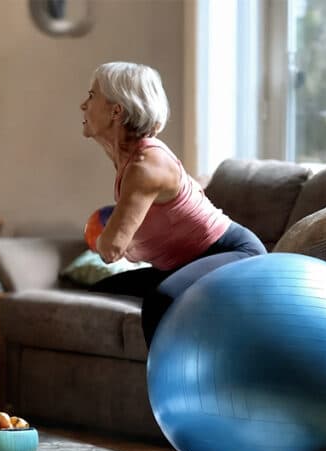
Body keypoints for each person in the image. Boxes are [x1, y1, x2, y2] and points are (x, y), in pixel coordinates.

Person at [80, 61, 266, 348]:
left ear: (116, 110)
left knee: (161, 300)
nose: (83, 105)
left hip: (236, 254)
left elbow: (111, 249)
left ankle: (162, 389)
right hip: (181, 264)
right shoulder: (127, 160)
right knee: (99, 291)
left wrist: (105, 237)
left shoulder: (146, 165)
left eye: (92, 96)